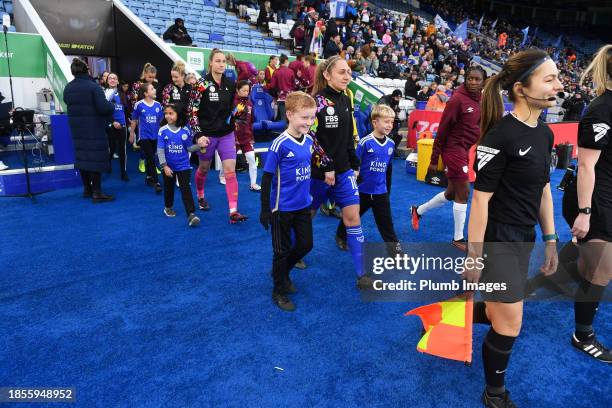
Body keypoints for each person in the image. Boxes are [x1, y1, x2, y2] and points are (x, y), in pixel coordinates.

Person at [463, 49, 562, 407]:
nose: (558, 86)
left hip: (524, 238)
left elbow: (544, 190)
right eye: (549, 79)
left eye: (557, 78)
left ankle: (444, 319)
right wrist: (474, 257)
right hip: (498, 241)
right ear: (521, 89)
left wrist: (551, 239)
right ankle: (494, 393)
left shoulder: (545, 133)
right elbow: (480, 201)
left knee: (495, 310)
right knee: (509, 325)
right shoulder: (498, 137)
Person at [310, 56, 373, 290]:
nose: (347, 76)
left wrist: (354, 163)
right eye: (342, 72)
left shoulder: (346, 98)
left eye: (349, 72)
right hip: (318, 173)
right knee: (309, 214)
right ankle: (294, 254)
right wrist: (326, 165)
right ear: (327, 75)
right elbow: (312, 138)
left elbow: (348, 135)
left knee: (353, 218)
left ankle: (362, 273)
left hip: (344, 171)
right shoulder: (316, 102)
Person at [411, 66, 487, 251]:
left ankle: (418, 211)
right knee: (464, 193)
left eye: (477, 79)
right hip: (453, 151)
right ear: (465, 79)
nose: (473, 82)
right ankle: (458, 238)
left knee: (451, 193)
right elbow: (442, 131)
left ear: (483, 81)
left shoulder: (482, 100)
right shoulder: (457, 100)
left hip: (464, 150)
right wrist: (433, 160)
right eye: (470, 78)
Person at [260, 92, 323, 311]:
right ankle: (278, 290)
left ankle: (282, 271)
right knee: (281, 251)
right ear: (289, 115)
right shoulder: (279, 144)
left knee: (306, 244)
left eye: (312, 117)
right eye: (304, 117)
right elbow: (267, 177)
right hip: (282, 208)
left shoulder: (309, 140)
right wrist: (265, 210)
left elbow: (308, 168)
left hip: (303, 204)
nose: (309, 122)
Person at [568, 44, 612, 362]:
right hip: (595, 201)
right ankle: (582, 335)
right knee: (601, 272)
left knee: (592, 269)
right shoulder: (601, 109)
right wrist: (584, 214)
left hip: (606, 197)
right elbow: (586, 166)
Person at [188, 48, 248, 223]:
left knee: (230, 171)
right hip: (207, 136)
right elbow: (192, 112)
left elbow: (230, 111)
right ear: (211, 63)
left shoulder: (230, 84)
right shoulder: (201, 84)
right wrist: (198, 135)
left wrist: (238, 115)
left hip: (226, 135)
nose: (221, 64)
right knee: (204, 168)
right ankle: (200, 195)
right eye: (218, 61)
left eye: (224, 61)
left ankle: (233, 211)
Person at [335, 104, 400, 255]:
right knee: (352, 216)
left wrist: (387, 190)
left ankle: (395, 251)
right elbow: (355, 165)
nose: (390, 125)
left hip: (380, 191)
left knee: (387, 223)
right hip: (362, 191)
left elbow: (388, 169)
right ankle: (341, 236)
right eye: (386, 121)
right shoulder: (365, 142)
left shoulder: (391, 144)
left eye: (391, 122)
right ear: (375, 122)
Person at [63, 58, 115, 203]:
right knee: (95, 158)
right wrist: (112, 105)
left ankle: (87, 189)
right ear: (87, 69)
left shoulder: (68, 87)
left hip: (77, 128)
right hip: (94, 128)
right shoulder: (93, 87)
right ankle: (97, 193)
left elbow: (68, 102)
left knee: (83, 158)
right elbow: (103, 107)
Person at [157, 104, 202, 227]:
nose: (167, 116)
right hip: (168, 166)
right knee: (169, 188)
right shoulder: (162, 130)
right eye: (166, 113)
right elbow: (160, 150)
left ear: (178, 115)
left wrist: (200, 145)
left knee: (185, 189)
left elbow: (189, 148)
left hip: (183, 165)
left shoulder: (185, 130)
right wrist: (164, 166)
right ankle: (168, 207)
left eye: (171, 113)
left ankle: (191, 214)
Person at [129, 83, 164, 193]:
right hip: (144, 136)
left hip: (155, 136)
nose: (154, 90)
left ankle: (149, 177)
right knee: (151, 157)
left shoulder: (158, 105)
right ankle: (157, 182)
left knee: (151, 157)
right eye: (152, 89)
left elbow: (161, 121)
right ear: (145, 93)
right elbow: (134, 120)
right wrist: (131, 135)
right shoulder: (139, 105)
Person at [130, 63, 161, 173]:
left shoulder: (156, 85)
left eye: (153, 77)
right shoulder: (137, 85)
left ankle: (155, 164)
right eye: (149, 77)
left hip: (155, 118)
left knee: (156, 145)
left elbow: (158, 101)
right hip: (142, 118)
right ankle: (142, 160)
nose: (151, 79)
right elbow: (134, 101)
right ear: (144, 74)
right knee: (144, 144)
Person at [233, 80, 260, 191]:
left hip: (246, 137)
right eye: (243, 90)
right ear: (237, 90)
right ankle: (222, 175)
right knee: (229, 161)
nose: (246, 93)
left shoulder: (250, 103)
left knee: (252, 160)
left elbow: (251, 121)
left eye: (247, 91)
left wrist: (251, 136)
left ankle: (253, 184)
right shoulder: (233, 102)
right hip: (233, 137)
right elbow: (230, 119)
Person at [104, 73, 129, 181]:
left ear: (118, 81)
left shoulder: (123, 94)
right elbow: (103, 111)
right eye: (110, 78)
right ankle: (108, 164)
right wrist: (113, 121)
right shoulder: (103, 93)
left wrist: (126, 124)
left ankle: (123, 172)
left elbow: (126, 110)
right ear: (107, 81)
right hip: (110, 125)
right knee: (111, 148)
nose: (113, 80)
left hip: (122, 126)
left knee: (122, 150)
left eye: (115, 78)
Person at [266, 54, 295, 122]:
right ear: (286, 61)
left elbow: (272, 86)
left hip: (280, 98)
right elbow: (294, 85)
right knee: (288, 118)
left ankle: (281, 131)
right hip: (290, 98)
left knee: (282, 118)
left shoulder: (276, 72)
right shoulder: (291, 71)